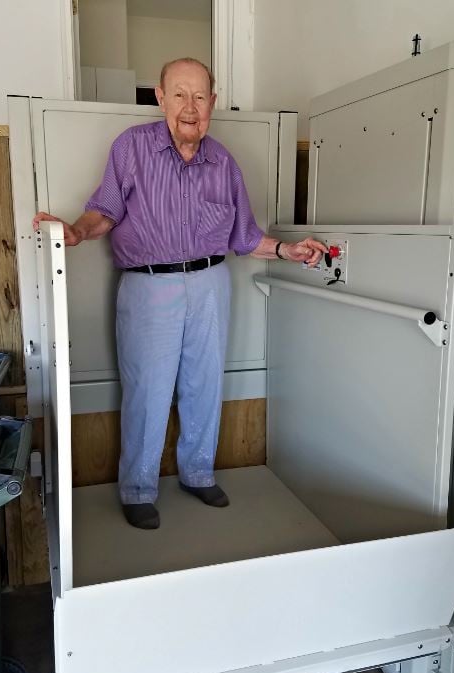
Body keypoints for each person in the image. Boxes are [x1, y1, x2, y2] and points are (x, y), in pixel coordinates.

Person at [34, 57, 325, 530]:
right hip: (149, 286)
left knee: (204, 384)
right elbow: (104, 211)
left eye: (200, 97)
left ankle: (197, 472)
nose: (190, 107)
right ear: (160, 98)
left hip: (211, 283)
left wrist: (289, 251)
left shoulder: (223, 162)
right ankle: (138, 488)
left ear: (212, 102)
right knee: (147, 390)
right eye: (179, 95)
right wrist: (75, 232)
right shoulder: (131, 148)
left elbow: (244, 236)